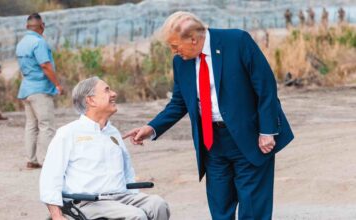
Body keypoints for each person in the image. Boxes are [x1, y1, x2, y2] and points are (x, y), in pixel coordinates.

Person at [124, 11, 294, 220]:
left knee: (252, 210)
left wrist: (267, 130)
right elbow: (179, 102)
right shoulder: (181, 62)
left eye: (175, 46)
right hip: (212, 143)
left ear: (193, 39)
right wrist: (152, 128)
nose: (174, 52)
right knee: (220, 209)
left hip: (250, 138)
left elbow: (265, 87)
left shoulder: (237, 41)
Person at [40, 77, 170, 220]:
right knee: (136, 216)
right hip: (89, 202)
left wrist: (134, 197)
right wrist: (56, 215)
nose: (114, 94)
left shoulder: (113, 132)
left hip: (120, 197)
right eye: (107, 90)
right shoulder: (68, 133)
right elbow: (50, 177)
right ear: (91, 100)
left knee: (158, 205)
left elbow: (127, 172)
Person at [16, 13, 63, 169]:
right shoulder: (39, 42)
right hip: (40, 89)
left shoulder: (22, 43)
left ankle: (32, 159)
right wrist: (57, 84)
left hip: (26, 89)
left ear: (27, 26)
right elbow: (45, 65)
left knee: (31, 125)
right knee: (46, 125)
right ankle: (48, 160)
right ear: (42, 26)